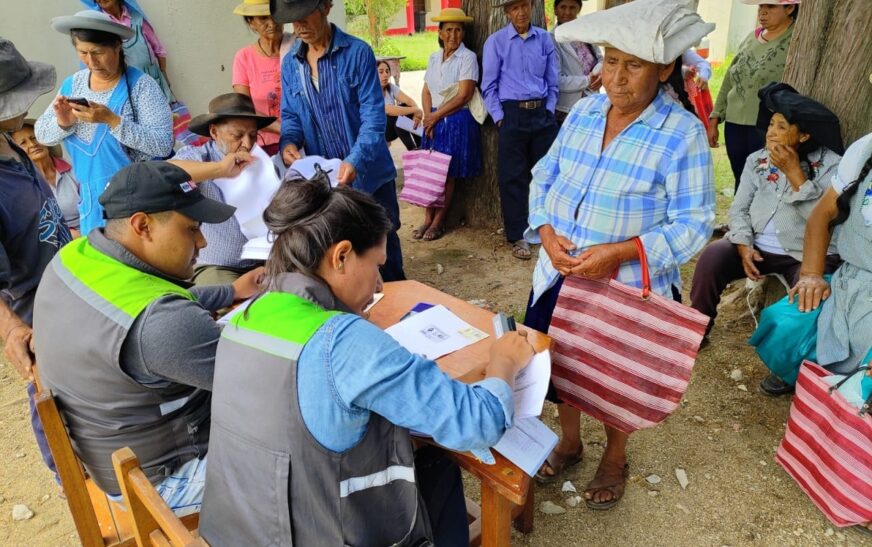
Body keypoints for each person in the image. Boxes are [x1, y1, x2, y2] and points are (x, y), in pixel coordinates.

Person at [199, 174, 535, 546]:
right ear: (341, 255)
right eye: (376, 265)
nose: (378, 284)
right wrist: (503, 362)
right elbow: (478, 423)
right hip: (316, 530)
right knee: (439, 464)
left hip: (239, 528)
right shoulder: (344, 343)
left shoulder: (246, 316)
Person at [526, 0, 715, 510]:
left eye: (633, 65)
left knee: (613, 378)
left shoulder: (681, 133)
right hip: (557, 270)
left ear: (665, 68)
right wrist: (544, 229)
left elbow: (695, 223)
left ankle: (615, 455)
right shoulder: (585, 113)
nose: (617, 78)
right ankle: (568, 441)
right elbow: (545, 174)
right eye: (610, 61)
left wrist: (623, 252)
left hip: (622, 286)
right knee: (558, 366)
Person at [32, 160, 262, 511]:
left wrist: (229, 292)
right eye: (191, 229)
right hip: (165, 480)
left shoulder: (76, 257)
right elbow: (266, 383)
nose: (202, 242)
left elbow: (137, 303)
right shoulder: (162, 324)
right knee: (311, 456)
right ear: (143, 225)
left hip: (113, 453)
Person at [691, 83, 844, 378]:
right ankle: (697, 329)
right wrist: (743, 244)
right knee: (712, 257)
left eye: (781, 126)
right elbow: (739, 209)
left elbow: (822, 220)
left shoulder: (830, 167)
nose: (771, 132)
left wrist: (796, 176)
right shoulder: (757, 160)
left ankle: (787, 363)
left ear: (804, 135)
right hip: (756, 247)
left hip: (804, 253)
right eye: (771, 124)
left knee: (811, 296)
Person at [275, 0, 406, 281]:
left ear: (325, 6)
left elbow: (374, 118)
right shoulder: (290, 65)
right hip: (327, 182)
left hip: (369, 175)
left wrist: (355, 159)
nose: (299, 27)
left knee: (383, 244)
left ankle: (398, 301)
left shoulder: (357, 53)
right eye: (292, 21)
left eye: (304, 16)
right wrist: (288, 143)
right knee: (342, 249)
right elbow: (290, 116)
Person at [788, 128, 872, 537]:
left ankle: (861, 492)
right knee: (840, 391)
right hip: (852, 287)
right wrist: (809, 274)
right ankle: (832, 468)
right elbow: (823, 214)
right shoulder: (867, 149)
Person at [0, 37, 71, 489]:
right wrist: (10, 329)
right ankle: (69, 478)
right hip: (32, 306)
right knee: (49, 390)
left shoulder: (13, 143)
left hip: (62, 290)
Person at [36, 10, 173, 235]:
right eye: (83, 52)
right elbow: (41, 134)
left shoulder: (141, 86)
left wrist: (112, 120)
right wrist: (63, 123)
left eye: (98, 52)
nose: (91, 61)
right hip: (92, 207)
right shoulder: (73, 85)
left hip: (138, 201)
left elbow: (162, 144)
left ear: (117, 46)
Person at [483, 0, 559, 260]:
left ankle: (547, 231)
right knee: (512, 177)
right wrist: (501, 118)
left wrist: (549, 110)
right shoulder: (496, 42)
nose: (521, 12)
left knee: (546, 174)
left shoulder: (545, 40)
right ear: (507, 12)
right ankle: (518, 235)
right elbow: (489, 86)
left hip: (542, 114)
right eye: (514, 7)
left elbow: (553, 80)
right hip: (512, 115)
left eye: (524, 5)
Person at [175, 93, 276, 285]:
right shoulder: (199, 156)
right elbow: (168, 172)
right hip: (216, 266)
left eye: (253, 136)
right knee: (228, 300)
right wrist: (220, 169)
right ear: (214, 132)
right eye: (237, 136)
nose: (247, 144)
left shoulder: (263, 163)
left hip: (265, 258)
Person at [81, 0, 203, 147]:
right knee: (146, 129)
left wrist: (165, 79)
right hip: (127, 87)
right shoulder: (99, 25)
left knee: (175, 126)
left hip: (155, 80)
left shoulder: (137, 18)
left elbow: (158, 50)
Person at [709, 0, 800, 190]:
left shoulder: (796, 40)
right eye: (761, 7)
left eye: (771, 7)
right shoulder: (752, 37)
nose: (763, 12)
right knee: (740, 178)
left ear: (790, 8)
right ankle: (738, 218)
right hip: (735, 123)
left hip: (767, 125)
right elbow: (729, 77)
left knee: (763, 180)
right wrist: (716, 116)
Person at [417, 7, 481, 241]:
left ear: (463, 33)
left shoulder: (468, 58)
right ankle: (426, 219)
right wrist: (428, 116)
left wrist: (435, 116)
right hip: (433, 119)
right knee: (430, 171)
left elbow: (464, 95)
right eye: (449, 30)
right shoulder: (434, 58)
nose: (453, 35)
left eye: (458, 30)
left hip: (455, 120)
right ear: (440, 33)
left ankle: (437, 222)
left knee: (447, 174)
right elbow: (426, 90)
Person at [232, 0, 295, 156]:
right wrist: (281, 129)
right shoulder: (244, 58)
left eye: (275, 16)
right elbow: (244, 108)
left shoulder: (297, 48)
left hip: (303, 139)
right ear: (251, 22)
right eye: (263, 18)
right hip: (265, 145)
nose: (272, 23)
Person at [11, 119, 81, 235]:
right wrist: (69, 234)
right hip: (55, 241)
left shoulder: (74, 168)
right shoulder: (22, 184)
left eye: (34, 138)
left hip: (93, 229)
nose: (32, 144)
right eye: (23, 143)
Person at [550, 0, 602, 124]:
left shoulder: (585, 33)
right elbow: (557, 80)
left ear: (578, 10)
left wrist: (599, 75)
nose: (567, 12)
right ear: (555, 10)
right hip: (567, 109)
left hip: (592, 103)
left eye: (572, 7)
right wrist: (588, 81)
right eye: (563, 7)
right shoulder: (552, 39)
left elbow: (601, 59)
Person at [379, 59, 422, 152]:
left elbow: (409, 101)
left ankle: (421, 145)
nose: (385, 74)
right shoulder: (371, 92)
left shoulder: (390, 87)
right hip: (380, 131)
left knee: (404, 108)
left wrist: (416, 115)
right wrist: (416, 110)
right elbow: (389, 110)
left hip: (394, 128)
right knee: (396, 116)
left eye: (387, 71)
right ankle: (413, 149)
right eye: (381, 72)